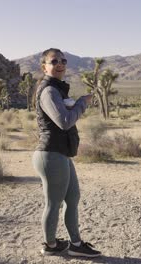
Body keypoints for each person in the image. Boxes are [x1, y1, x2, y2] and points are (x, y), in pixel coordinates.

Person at [32, 48, 101, 258]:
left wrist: (76, 103)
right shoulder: (49, 91)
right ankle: (50, 245)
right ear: (44, 67)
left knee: (73, 197)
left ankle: (76, 243)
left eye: (63, 60)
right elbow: (64, 122)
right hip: (51, 154)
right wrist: (82, 103)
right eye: (54, 61)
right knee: (53, 203)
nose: (60, 63)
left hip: (60, 154)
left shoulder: (58, 89)